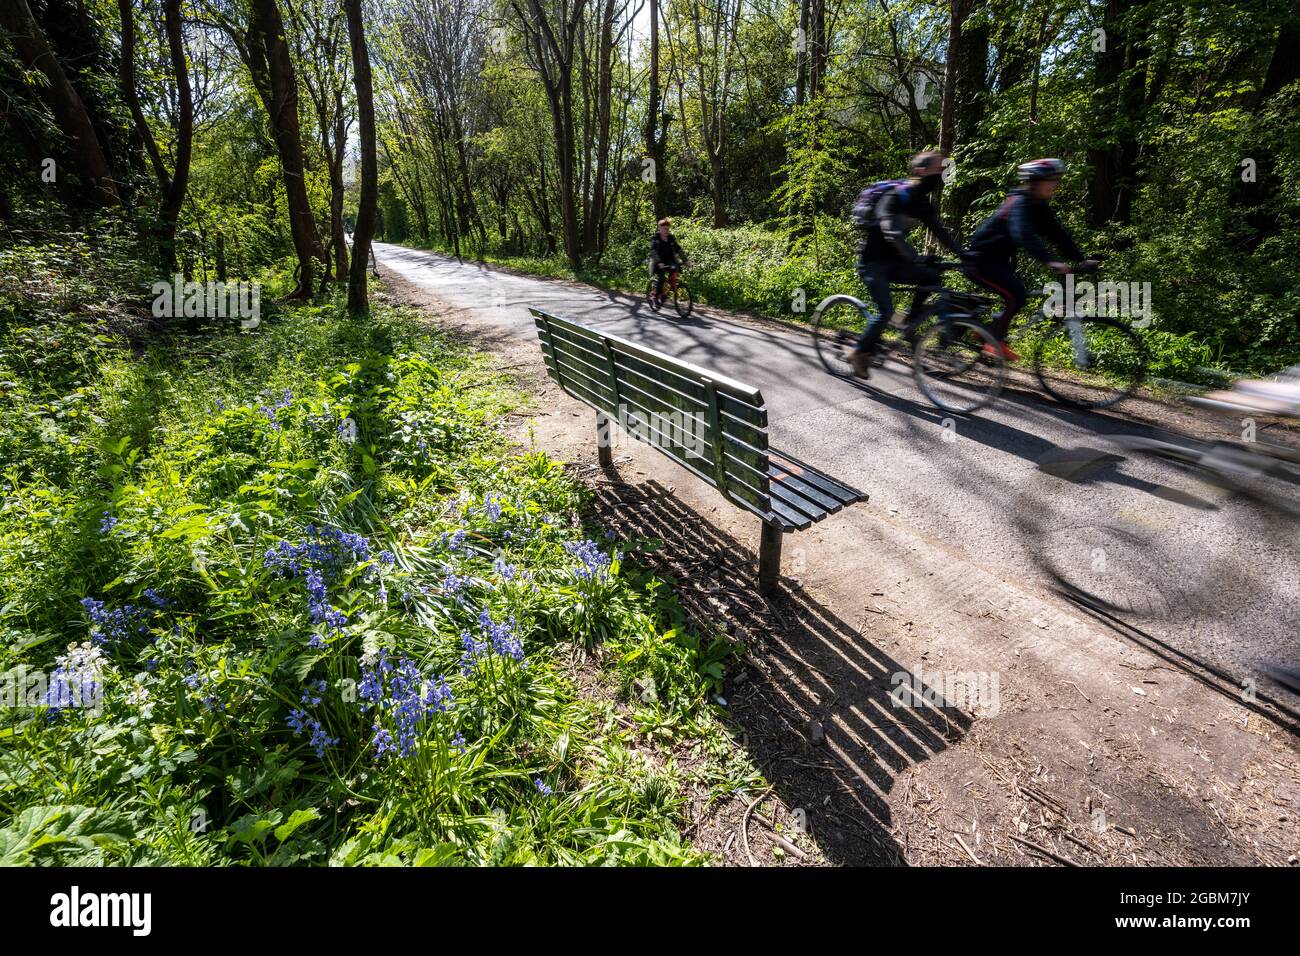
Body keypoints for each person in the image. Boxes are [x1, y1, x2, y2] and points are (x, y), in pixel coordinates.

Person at [848, 151, 968, 379]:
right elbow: (891, 232)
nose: (943, 172)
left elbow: (941, 233)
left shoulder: (921, 202)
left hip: (895, 262)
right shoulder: (895, 195)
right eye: (938, 168)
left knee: (932, 277)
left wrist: (966, 255)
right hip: (872, 264)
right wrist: (915, 257)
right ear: (920, 171)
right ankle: (858, 352)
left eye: (944, 169)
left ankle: (909, 321)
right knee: (885, 312)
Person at [963, 158, 1093, 361]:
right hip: (978, 262)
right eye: (1051, 180)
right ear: (1035, 181)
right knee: (1016, 295)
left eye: (1057, 180)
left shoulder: (1038, 205)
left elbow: (1057, 235)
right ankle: (993, 341)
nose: (1056, 185)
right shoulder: (1021, 203)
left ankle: (987, 330)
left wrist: (1081, 259)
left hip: (995, 262)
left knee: (1017, 293)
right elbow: (1022, 234)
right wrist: (1050, 260)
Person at [649, 218, 688, 304]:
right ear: (659, 229)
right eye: (664, 229)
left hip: (669, 260)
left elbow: (678, 249)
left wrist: (685, 260)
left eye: (667, 229)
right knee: (662, 277)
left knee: (674, 273)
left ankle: (665, 293)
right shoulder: (655, 239)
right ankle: (655, 296)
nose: (666, 231)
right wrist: (659, 262)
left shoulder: (671, 238)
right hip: (657, 262)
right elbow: (653, 252)